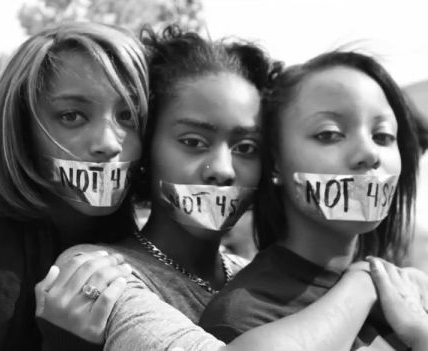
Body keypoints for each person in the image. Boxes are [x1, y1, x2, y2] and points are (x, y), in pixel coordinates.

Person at [38, 28, 428, 351]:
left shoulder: (250, 272)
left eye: (245, 148)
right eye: (192, 141)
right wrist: (363, 282)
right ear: (147, 146)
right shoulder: (103, 273)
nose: (222, 170)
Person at [200, 51, 424, 350]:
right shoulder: (243, 317)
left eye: (382, 136)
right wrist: (362, 285)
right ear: (276, 161)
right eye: (330, 134)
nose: (369, 154)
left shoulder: (412, 293)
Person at [0, 22, 149, 351]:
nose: (109, 144)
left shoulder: (158, 262)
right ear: (19, 129)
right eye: (72, 116)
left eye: (128, 116)